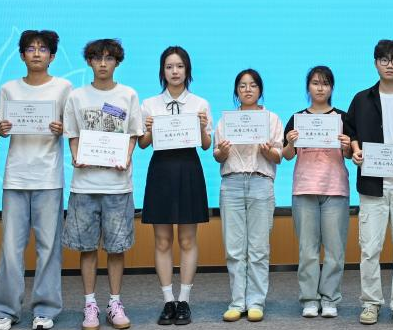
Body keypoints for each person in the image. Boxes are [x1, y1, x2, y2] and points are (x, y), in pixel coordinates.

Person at [0, 30, 72, 330]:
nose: (36, 53)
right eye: (31, 48)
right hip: (15, 176)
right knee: (10, 248)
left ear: (52, 56)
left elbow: (72, 127)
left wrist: (62, 127)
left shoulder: (64, 87)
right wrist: (2, 128)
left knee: (48, 247)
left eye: (43, 49)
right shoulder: (9, 88)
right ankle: (5, 311)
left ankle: (45, 310)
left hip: (49, 176)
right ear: (22, 55)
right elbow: (1, 129)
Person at [62, 39, 143, 330]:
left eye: (109, 58)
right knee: (87, 248)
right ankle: (90, 304)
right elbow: (72, 133)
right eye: (97, 58)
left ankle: (114, 302)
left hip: (118, 186)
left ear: (117, 62)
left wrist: (126, 156)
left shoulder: (128, 95)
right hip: (84, 185)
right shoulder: (77, 96)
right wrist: (76, 156)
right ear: (89, 62)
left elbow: (133, 133)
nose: (103, 63)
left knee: (116, 248)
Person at [344, 39, 393, 327]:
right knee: (369, 249)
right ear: (376, 63)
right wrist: (355, 151)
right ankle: (371, 303)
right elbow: (350, 132)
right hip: (372, 185)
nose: (390, 65)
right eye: (384, 59)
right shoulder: (361, 99)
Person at [138, 46, 213, 326]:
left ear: (187, 70)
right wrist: (147, 129)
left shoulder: (200, 103)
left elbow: (206, 146)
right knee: (162, 240)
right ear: (162, 71)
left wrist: (203, 127)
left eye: (180, 66)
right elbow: (143, 144)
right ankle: (168, 300)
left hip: (188, 168)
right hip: (161, 170)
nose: (175, 71)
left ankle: (185, 301)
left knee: (187, 240)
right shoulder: (150, 104)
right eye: (169, 67)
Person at [282, 65, 353, 319]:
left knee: (335, 250)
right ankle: (309, 299)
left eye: (325, 83)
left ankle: (330, 299)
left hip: (335, 189)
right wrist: (290, 142)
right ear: (308, 87)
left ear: (331, 88)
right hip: (304, 189)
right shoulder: (297, 118)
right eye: (315, 83)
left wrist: (347, 145)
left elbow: (350, 155)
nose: (320, 88)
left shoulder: (343, 118)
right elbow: (287, 155)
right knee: (307, 250)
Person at [213, 69, 283, 322]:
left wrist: (267, 151)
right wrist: (222, 151)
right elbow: (217, 156)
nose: (247, 89)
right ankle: (237, 302)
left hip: (260, 183)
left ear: (260, 89)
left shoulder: (271, 119)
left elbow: (278, 156)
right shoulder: (227, 121)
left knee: (258, 248)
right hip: (231, 184)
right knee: (234, 248)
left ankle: (255, 302)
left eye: (253, 85)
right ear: (236, 91)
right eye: (242, 86)